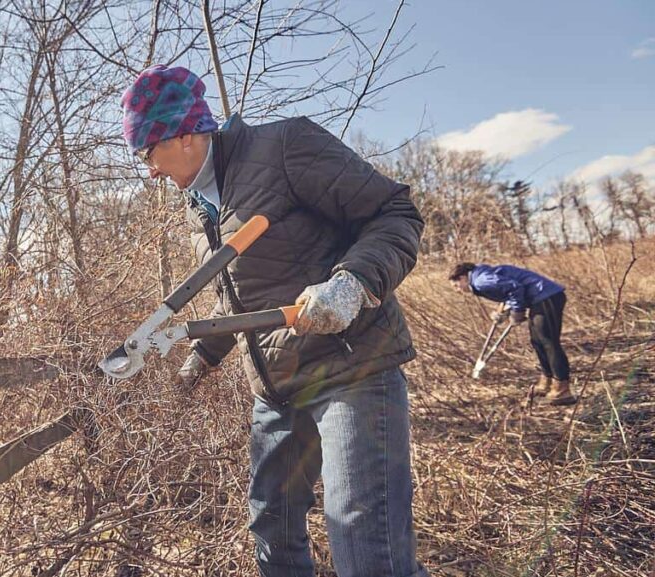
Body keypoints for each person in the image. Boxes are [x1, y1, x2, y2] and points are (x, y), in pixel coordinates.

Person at [122, 65, 428, 577]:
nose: (149, 171)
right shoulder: (204, 209)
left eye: (147, 152)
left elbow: (396, 213)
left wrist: (351, 282)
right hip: (278, 392)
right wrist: (196, 364)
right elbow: (239, 301)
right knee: (273, 531)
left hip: (351, 373)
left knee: (366, 545)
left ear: (185, 134)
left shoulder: (284, 146)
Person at [448, 262, 575, 405]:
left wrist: (517, 311)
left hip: (546, 296)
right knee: (537, 342)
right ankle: (547, 380)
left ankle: (562, 389)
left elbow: (515, 287)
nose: (458, 290)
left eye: (456, 286)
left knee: (548, 342)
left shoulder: (480, 281)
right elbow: (507, 291)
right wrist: (502, 311)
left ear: (463, 278)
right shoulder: (481, 277)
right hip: (539, 299)